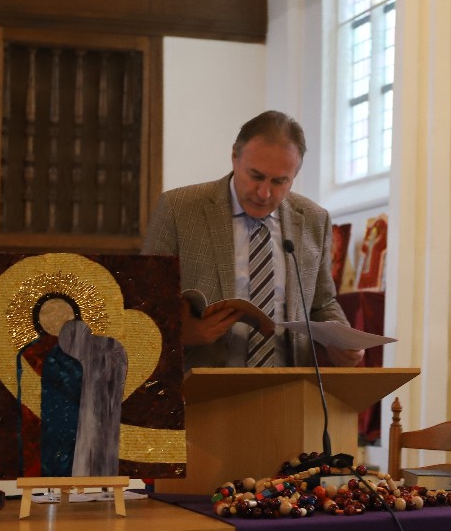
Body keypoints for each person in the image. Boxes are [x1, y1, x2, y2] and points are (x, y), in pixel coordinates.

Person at [143, 110, 361, 369]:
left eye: (279, 181)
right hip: (201, 384)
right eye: (256, 176)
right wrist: (182, 332)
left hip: (289, 384)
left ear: (294, 176)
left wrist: (342, 341)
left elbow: (322, 304)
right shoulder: (179, 209)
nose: (264, 192)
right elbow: (145, 302)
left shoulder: (314, 219)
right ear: (234, 157)